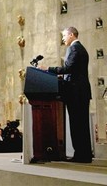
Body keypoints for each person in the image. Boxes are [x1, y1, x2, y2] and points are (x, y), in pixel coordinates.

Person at [37, 26, 92, 163]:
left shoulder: (74, 48)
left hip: (76, 92)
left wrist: (47, 69)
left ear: (72, 35)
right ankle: (85, 154)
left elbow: (68, 68)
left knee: (77, 124)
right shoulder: (81, 49)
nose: (62, 39)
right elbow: (74, 71)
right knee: (82, 124)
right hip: (81, 91)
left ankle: (80, 155)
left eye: (64, 36)